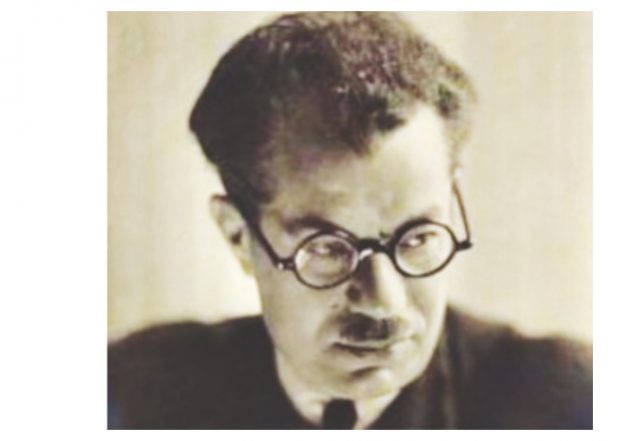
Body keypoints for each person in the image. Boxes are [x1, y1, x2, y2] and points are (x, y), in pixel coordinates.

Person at [108, 12, 592, 429]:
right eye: (327, 248)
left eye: (417, 237)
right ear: (238, 236)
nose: (384, 302)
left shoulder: (571, 404)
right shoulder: (131, 396)